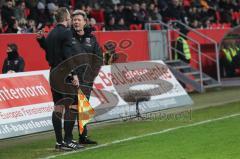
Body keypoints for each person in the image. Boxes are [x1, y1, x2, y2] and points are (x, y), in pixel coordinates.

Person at [37, 7, 82, 151]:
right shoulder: (67, 32)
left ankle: (59, 142)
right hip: (64, 73)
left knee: (58, 107)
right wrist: (74, 74)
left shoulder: (51, 34)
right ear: (66, 17)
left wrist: (41, 41)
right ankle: (68, 140)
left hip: (53, 72)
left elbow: (49, 50)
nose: (70, 19)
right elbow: (68, 55)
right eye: (69, 17)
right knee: (73, 106)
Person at [68, 9, 103, 145]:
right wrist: (72, 75)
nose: (76, 22)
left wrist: (92, 74)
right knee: (72, 109)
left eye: (78, 20)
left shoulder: (92, 38)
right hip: (71, 79)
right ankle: (68, 139)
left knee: (83, 109)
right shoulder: (68, 37)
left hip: (86, 80)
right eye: (74, 20)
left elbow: (98, 57)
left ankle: (83, 136)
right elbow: (65, 58)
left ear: (84, 22)